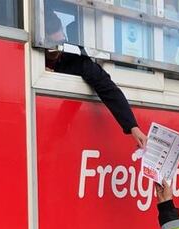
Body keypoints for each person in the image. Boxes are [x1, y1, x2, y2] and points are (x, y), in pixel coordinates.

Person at [44, 11, 147, 148]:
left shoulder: (74, 60)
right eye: (54, 45)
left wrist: (133, 127)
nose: (59, 49)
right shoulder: (36, 61)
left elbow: (107, 88)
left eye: (62, 42)